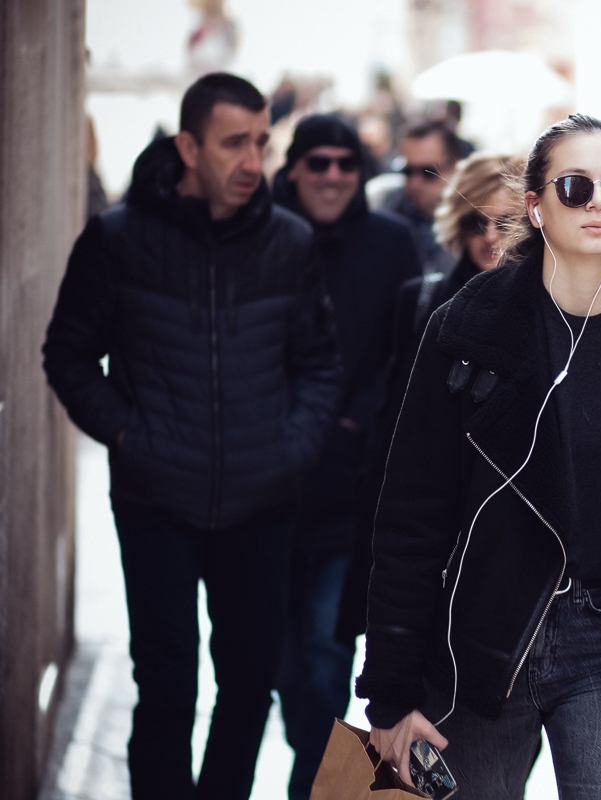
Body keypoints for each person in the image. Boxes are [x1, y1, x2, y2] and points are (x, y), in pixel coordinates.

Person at [354, 113, 601, 799]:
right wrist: (390, 691)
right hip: (479, 632)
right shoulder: (467, 329)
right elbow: (411, 514)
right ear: (535, 205)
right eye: (574, 186)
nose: (598, 202)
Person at [42, 73, 341, 800]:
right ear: (187, 147)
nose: (252, 161)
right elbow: (68, 356)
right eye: (233, 143)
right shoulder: (118, 240)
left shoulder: (290, 242)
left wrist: (288, 450)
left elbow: (319, 366)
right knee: (168, 689)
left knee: (248, 687)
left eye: (261, 143)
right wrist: (128, 434)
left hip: (261, 505)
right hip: (157, 503)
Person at [270, 113, 422, 800]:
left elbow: (405, 349)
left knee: (328, 651)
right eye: (318, 162)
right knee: (280, 661)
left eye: (346, 164)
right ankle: (315, 766)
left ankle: (315, 785)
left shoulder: (390, 242)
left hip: (349, 487)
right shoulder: (266, 234)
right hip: (266, 487)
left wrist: (359, 421)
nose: (333, 176)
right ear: (293, 169)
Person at [335, 152, 523, 650]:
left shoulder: (549, 318)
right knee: (394, 677)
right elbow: (394, 436)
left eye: (506, 222)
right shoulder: (420, 302)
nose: (490, 235)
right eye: (476, 221)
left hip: (504, 548)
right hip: (421, 539)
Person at [383, 119, 462, 274]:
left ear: (454, 168)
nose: (415, 182)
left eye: (428, 172)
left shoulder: (477, 222)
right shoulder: (387, 214)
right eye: (407, 171)